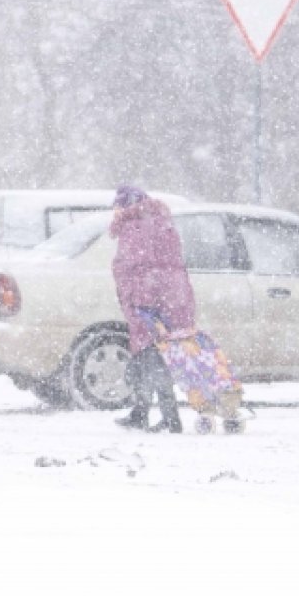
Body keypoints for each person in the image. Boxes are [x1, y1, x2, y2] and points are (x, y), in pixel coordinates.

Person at [109, 185, 194, 433]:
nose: (114, 212)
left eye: (117, 206)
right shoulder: (160, 222)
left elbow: (138, 268)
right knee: (148, 359)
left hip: (148, 303)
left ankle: (168, 417)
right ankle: (143, 412)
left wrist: (137, 303)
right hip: (170, 300)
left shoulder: (135, 226)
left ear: (126, 206)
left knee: (151, 359)